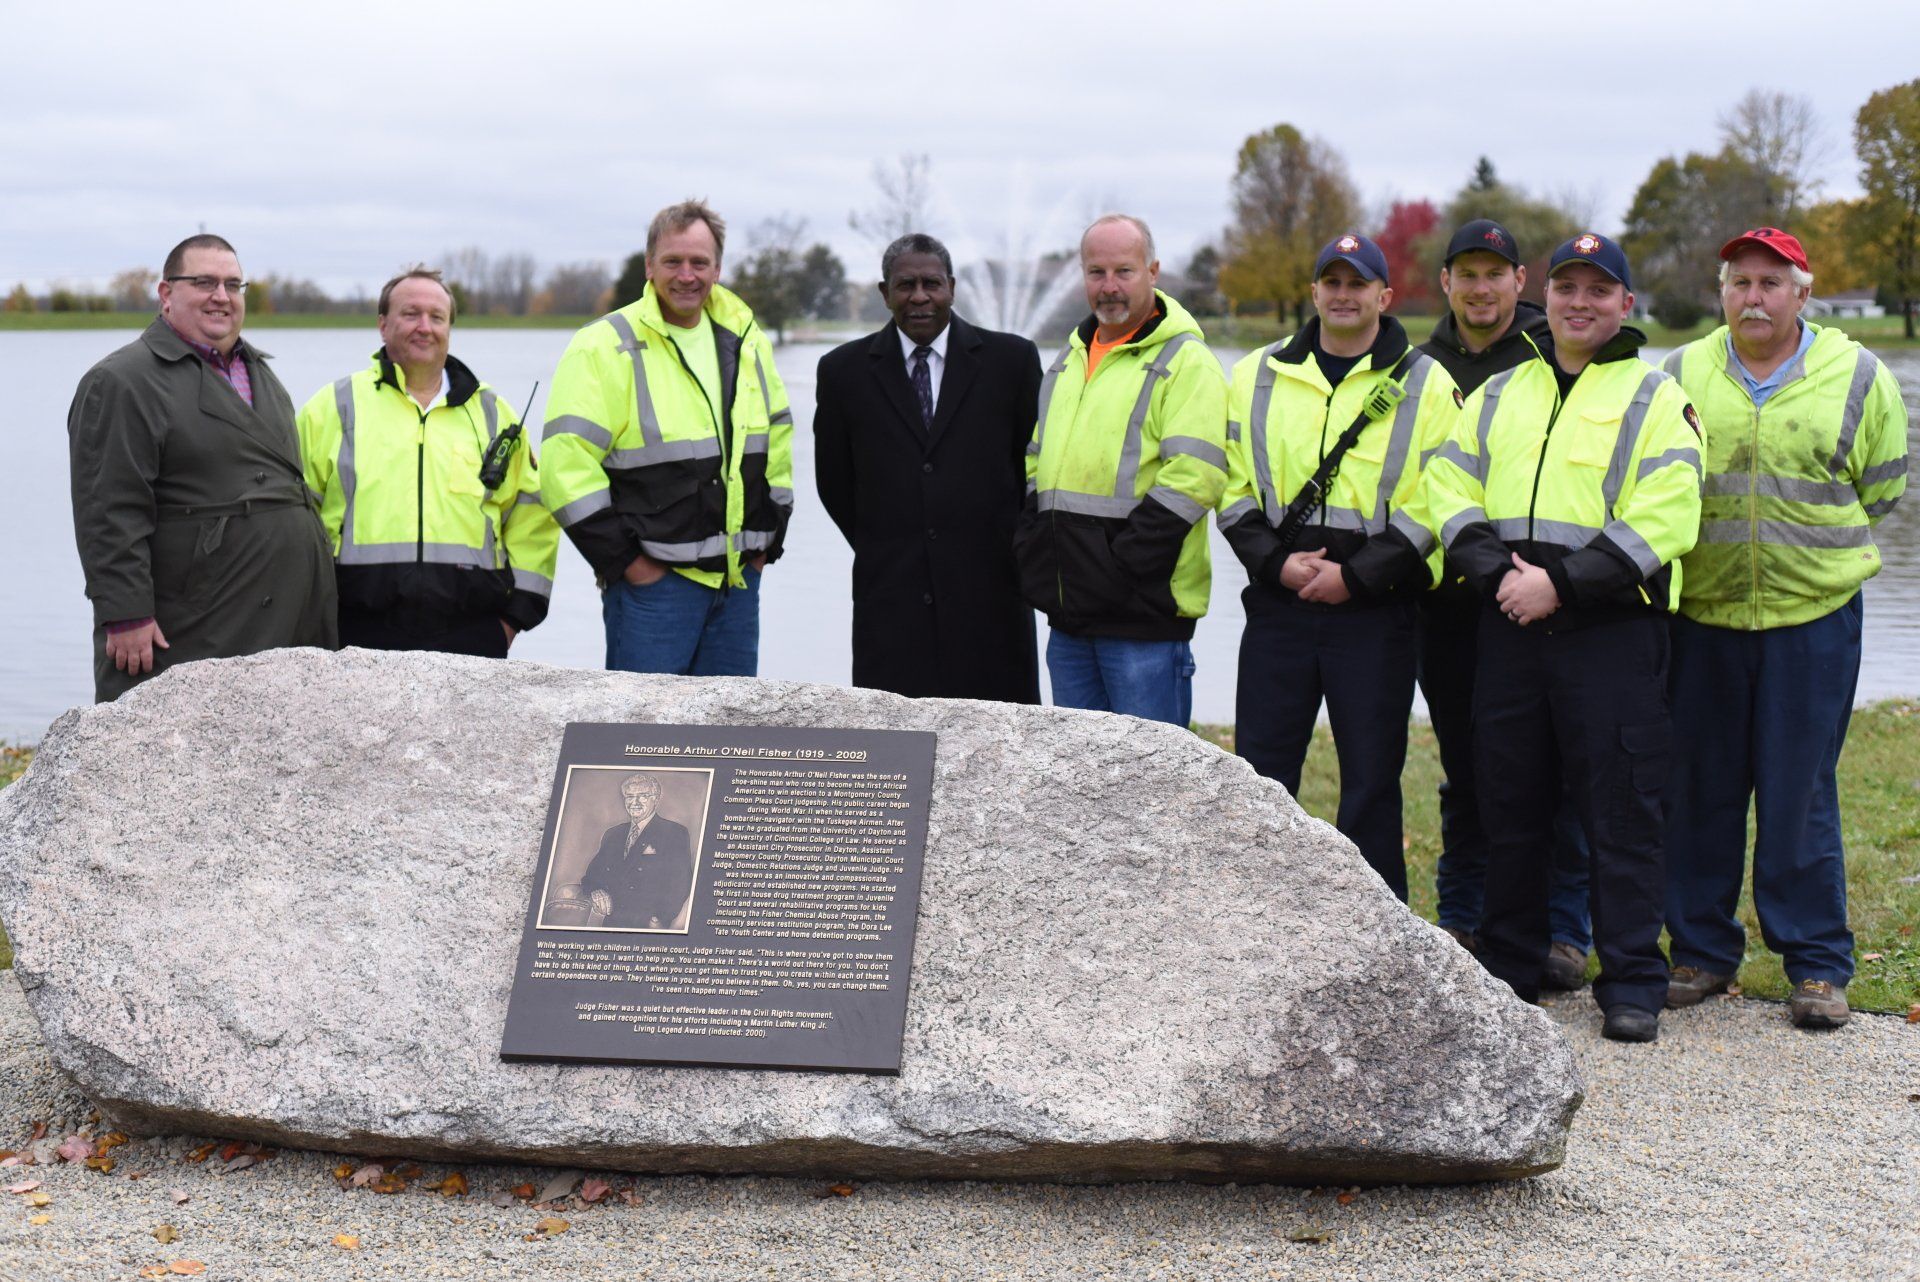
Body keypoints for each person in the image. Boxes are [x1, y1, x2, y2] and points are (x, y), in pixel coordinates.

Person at [1406, 233, 1703, 1042]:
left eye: (1598, 290)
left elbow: (1668, 515)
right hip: (1509, 620)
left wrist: (1561, 585)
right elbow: (1449, 483)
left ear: (1625, 305)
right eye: (1568, 287)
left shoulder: (1655, 397)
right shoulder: (1502, 391)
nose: (1580, 303)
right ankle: (1511, 966)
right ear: (1550, 296)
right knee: (1511, 799)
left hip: (1610, 631)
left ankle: (1633, 979)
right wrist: (1495, 574)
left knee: (1621, 809)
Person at [1660, 228, 1908, 1031]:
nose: (1755, 297)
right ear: (1721, 291)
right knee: (1701, 789)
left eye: (1772, 282)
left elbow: (1882, 491)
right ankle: (1699, 951)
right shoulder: (1681, 373)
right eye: (1740, 282)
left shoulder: (1860, 375)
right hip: (1704, 616)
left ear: (1804, 293)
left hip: (1815, 617)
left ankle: (1817, 966)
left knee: (1801, 793)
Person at [1217, 234, 1459, 901]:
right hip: (1279, 608)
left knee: (1372, 786)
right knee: (1260, 782)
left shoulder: (1425, 381)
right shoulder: (1256, 374)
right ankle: (1257, 925)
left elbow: (1438, 499)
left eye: (1359, 284)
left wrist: (1355, 578)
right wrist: (1277, 565)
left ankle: (1379, 940)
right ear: (1316, 291)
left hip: (1376, 613)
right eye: (1333, 281)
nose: (1344, 295)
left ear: (1384, 296)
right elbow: (1230, 486)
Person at [1417, 220, 1593, 985]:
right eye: (1467, 274)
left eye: (1496, 274)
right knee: (1468, 764)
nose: (1481, 288)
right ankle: (1464, 916)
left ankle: (1563, 928)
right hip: (1449, 602)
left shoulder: (1549, 355)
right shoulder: (1418, 367)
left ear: (1520, 281)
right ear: (1445, 283)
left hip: (1543, 599)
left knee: (1557, 769)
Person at [67, 233, 336, 703]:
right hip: (196, 622)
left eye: (234, 285)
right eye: (204, 282)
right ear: (166, 294)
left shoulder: (257, 372)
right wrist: (125, 613)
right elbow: (107, 506)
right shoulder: (122, 381)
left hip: (282, 616)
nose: (221, 296)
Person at [541, 199, 793, 676]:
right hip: (654, 591)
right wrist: (630, 566)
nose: (686, 275)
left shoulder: (747, 339)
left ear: (717, 269)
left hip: (738, 587)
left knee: (729, 743)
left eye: (699, 262)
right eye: (673, 261)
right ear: (649, 266)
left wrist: (767, 544)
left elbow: (777, 439)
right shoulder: (603, 345)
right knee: (640, 743)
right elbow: (563, 469)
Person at [1013, 214, 1228, 726]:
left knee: (1155, 789)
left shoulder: (1186, 361)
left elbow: (1196, 476)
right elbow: (1036, 464)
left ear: (1153, 271)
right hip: (1068, 618)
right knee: (1075, 781)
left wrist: (1120, 566)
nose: (1109, 287)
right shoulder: (1068, 362)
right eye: (1096, 272)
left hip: (1142, 620)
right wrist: (1034, 548)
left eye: (1124, 271)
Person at [814, 233, 1042, 702]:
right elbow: (834, 482)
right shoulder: (842, 372)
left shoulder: (1012, 362)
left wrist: (1007, 546)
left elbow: (1034, 472)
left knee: (1002, 747)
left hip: (991, 598)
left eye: (932, 284)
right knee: (896, 751)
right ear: (885, 293)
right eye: (906, 285)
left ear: (952, 288)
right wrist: (892, 544)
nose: (920, 297)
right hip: (891, 600)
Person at [296, 268, 559, 656]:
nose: (425, 327)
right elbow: (295, 515)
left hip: (473, 638)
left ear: (450, 327)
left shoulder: (494, 413)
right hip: (354, 634)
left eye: (437, 317)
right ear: (383, 326)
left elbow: (532, 514)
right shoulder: (333, 407)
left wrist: (512, 620)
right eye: (410, 314)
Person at [581, 773, 696, 930]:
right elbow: (591, 876)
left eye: (642, 796)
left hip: (647, 923)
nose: (634, 802)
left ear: (655, 799)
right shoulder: (613, 834)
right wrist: (596, 890)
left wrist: (659, 917)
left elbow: (680, 883)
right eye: (629, 796)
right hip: (610, 922)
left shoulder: (674, 832)